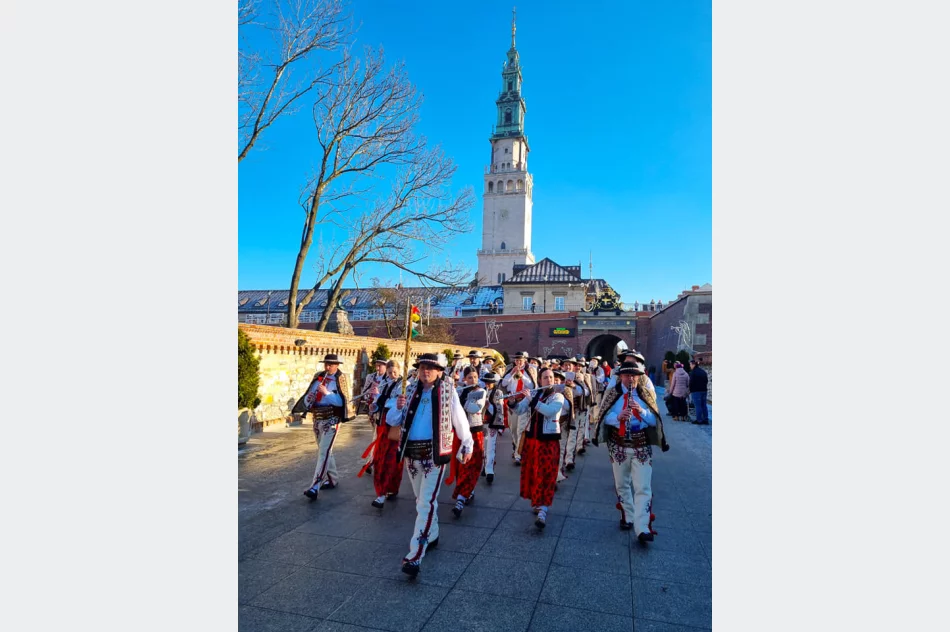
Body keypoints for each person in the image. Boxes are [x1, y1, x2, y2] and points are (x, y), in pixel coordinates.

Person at [389, 353, 474, 577]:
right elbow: (391, 421)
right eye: (422, 367)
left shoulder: (447, 391)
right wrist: (397, 407)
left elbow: (459, 418)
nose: (425, 371)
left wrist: (467, 443)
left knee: (425, 502)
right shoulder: (408, 390)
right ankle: (432, 532)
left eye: (430, 368)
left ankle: (416, 553)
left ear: (439, 371)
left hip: (434, 455)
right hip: (411, 454)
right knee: (422, 500)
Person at [590, 361, 665, 543]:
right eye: (627, 376)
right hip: (619, 445)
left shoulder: (645, 394)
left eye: (634, 376)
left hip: (641, 445)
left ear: (639, 377)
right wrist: (618, 417)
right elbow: (603, 417)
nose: (631, 379)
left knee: (643, 487)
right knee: (622, 484)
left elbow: (656, 422)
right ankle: (628, 516)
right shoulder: (612, 394)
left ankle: (643, 527)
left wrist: (641, 411)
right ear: (621, 377)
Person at [509, 367, 565, 529]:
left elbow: (550, 412)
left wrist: (531, 400)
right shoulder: (535, 393)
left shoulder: (558, 396)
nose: (549, 380)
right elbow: (520, 410)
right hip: (532, 440)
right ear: (540, 380)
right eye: (545, 378)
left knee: (547, 474)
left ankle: (543, 509)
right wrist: (513, 401)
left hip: (548, 442)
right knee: (534, 473)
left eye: (551, 377)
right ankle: (538, 502)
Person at [293, 354, 354, 500]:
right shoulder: (318, 377)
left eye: (331, 365)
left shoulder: (341, 378)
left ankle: (315, 485)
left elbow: (341, 402)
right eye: (326, 364)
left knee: (323, 452)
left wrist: (326, 393)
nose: (327, 367)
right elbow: (309, 395)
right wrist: (310, 399)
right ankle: (333, 479)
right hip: (317, 418)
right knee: (324, 450)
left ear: (337, 365)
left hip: (332, 419)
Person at [449, 366, 488, 517]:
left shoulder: (481, 392)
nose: (473, 380)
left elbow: (475, 407)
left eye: (475, 377)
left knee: (473, 465)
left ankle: (461, 498)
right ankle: (466, 492)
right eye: (469, 377)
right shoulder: (459, 391)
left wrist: (462, 400)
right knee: (461, 466)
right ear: (464, 379)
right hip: (460, 433)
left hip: (475, 432)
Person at [369, 360, 404, 508]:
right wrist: (374, 404)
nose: (392, 375)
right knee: (380, 458)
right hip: (382, 425)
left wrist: (383, 400)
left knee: (392, 460)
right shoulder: (385, 383)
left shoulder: (404, 385)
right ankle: (383, 491)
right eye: (390, 373)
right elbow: (379, 403)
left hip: (394, 426)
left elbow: (395, 404)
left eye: (394, 372)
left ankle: (387, 490)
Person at [500, 351, 537, 466]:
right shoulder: (510, 370)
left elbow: (532, 386)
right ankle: (517, 447)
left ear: (524, 360)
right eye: (516, 360)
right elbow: (504, 384)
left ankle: (518, 454)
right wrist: (511, 374)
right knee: (513, 428)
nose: (518, 362)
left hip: (523, 403)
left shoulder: (529, 371)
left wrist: (522, 377)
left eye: (520, 360)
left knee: (521, 429)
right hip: (512, 402)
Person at [689, 359, 710, 425]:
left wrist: (690, 390)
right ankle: (705, 419)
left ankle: (699, 420)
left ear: (693, 364)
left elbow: (691, 383)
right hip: (704, 390)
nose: (690, 366)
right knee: (704, 405)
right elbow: (706, 381)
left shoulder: (693, 372)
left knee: (698, 406)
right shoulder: (703, 372)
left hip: (696, 391)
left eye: (690, 364)